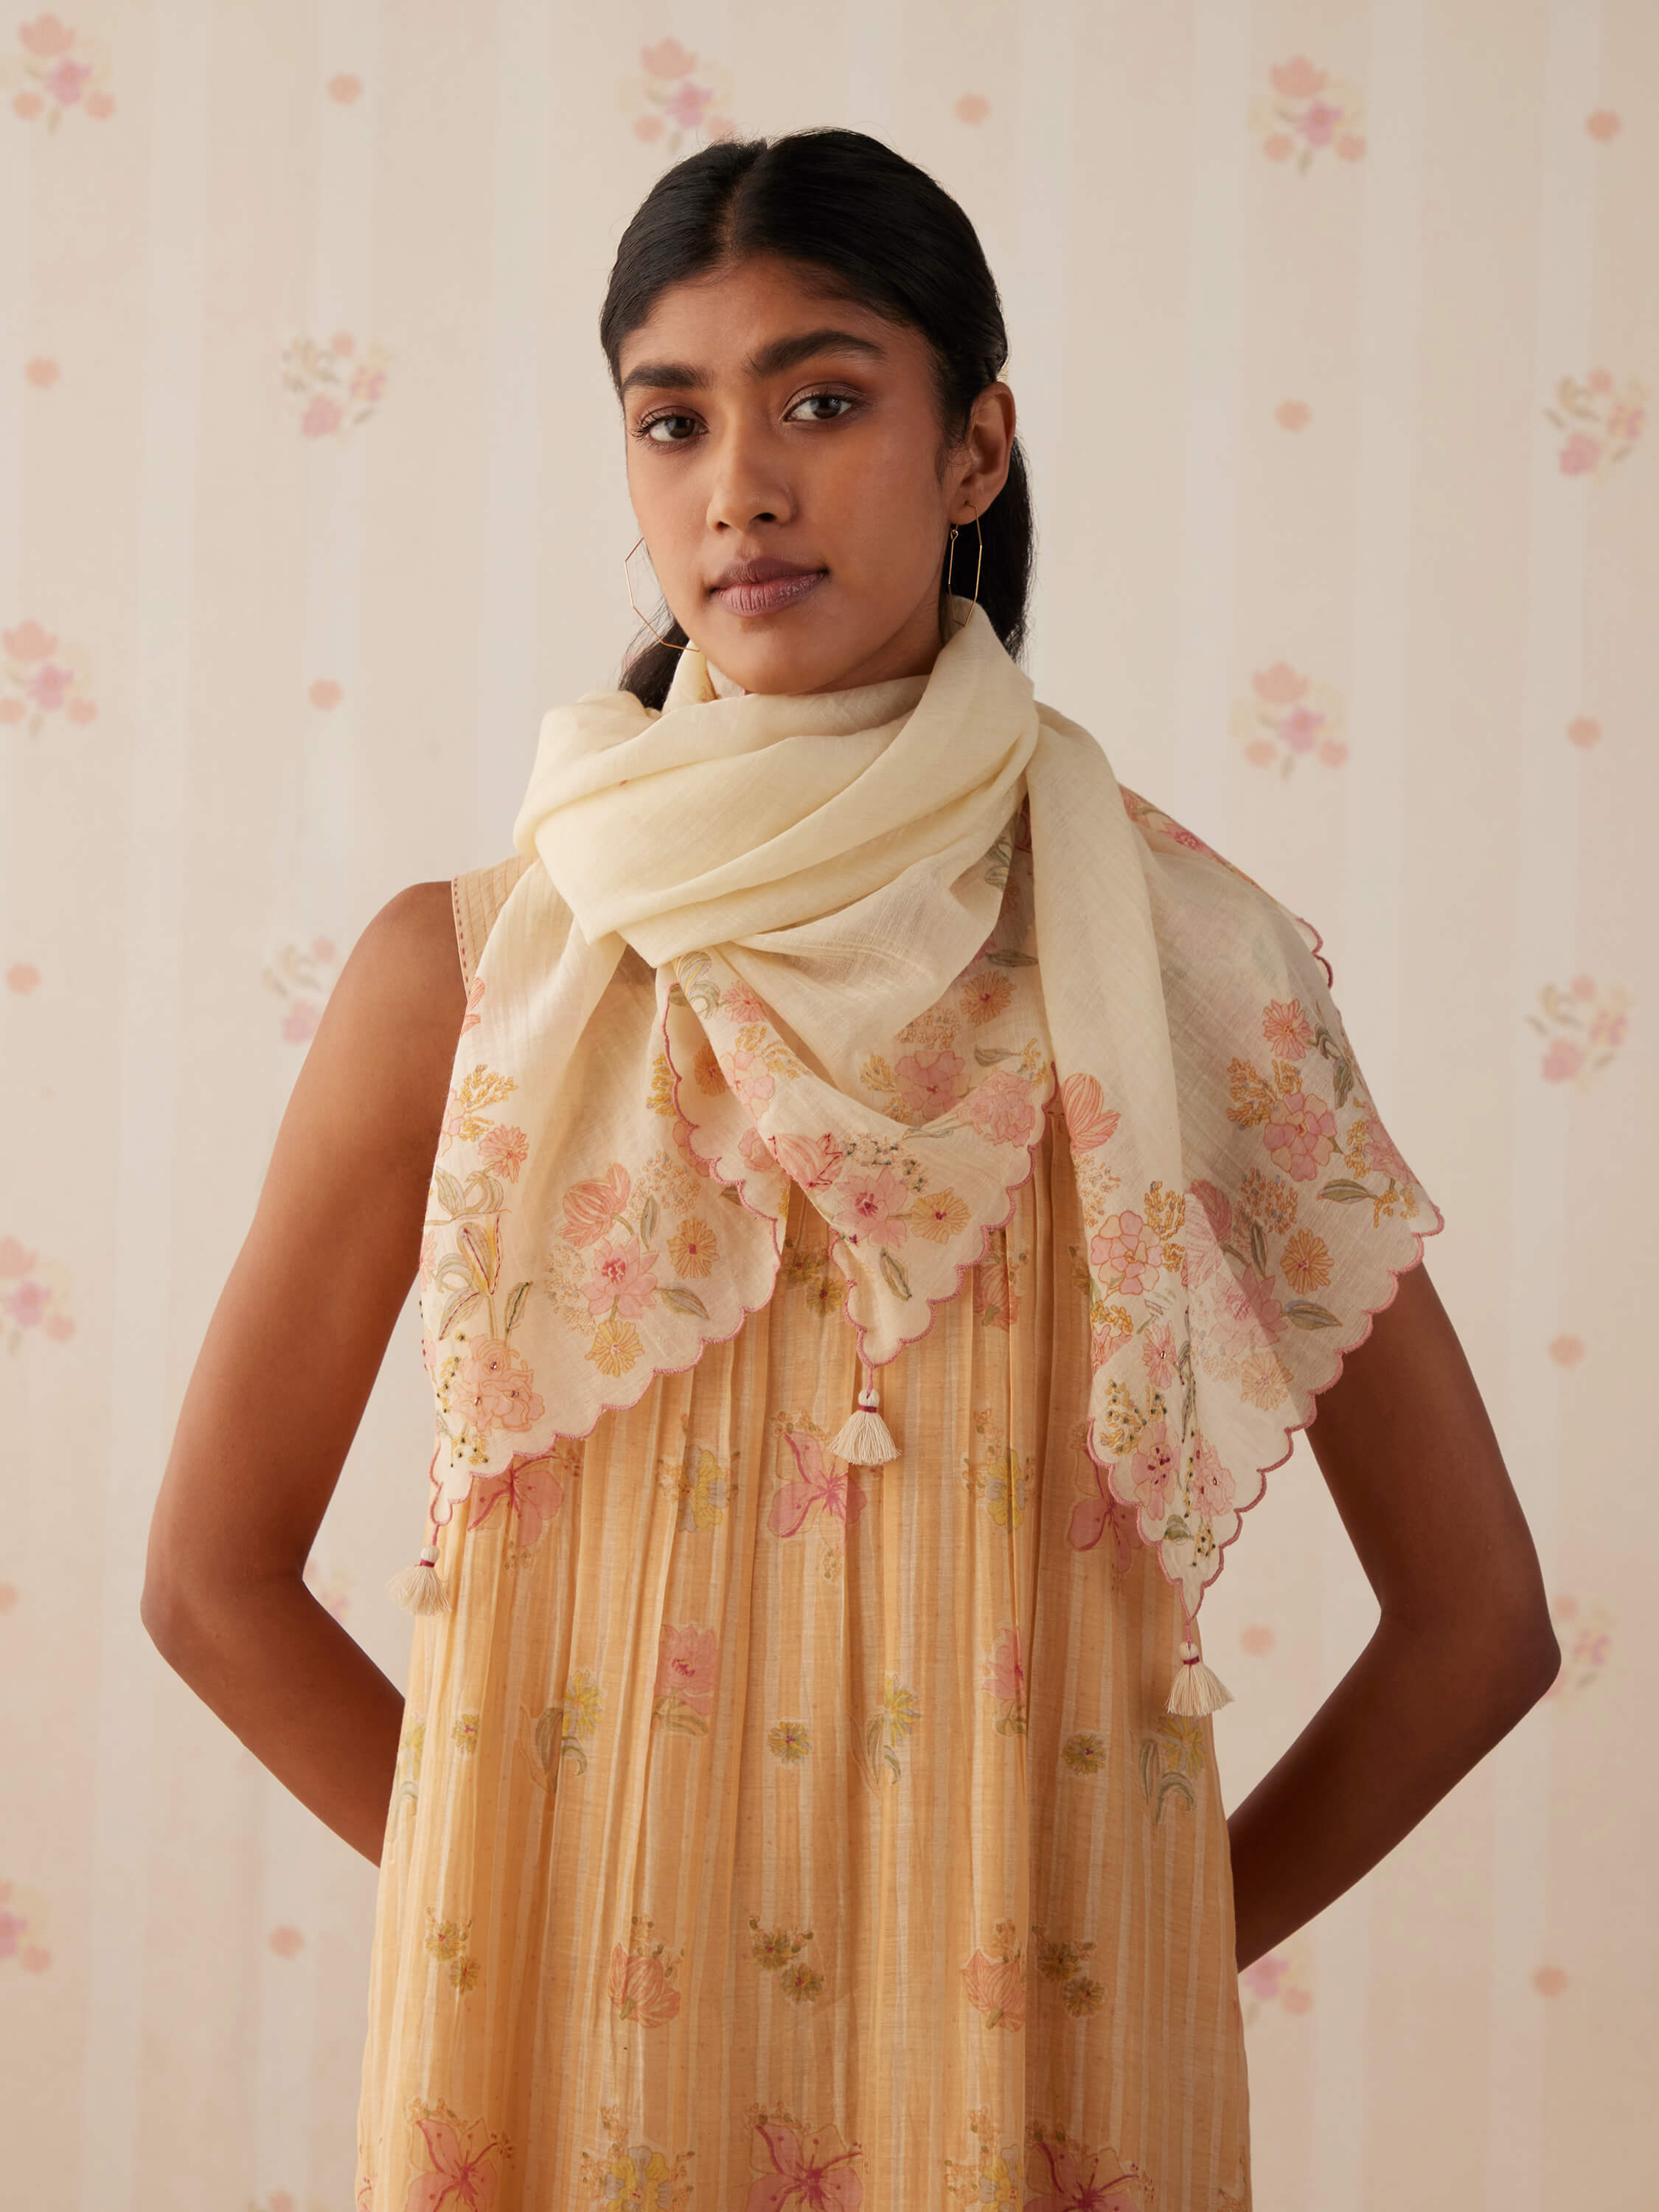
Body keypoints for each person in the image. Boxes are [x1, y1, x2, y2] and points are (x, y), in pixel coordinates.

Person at [142, 128, 1559, 2212]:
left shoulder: (1176, 966)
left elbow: (1477, 1624)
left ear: (974, 447)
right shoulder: (466, 979)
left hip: (1039, 2124)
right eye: (674, 421)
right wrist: (529, 1929)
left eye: (821, 401)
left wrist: (1131, 1966)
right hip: (558, 2109)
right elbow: (209, 1583)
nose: (740, 485)